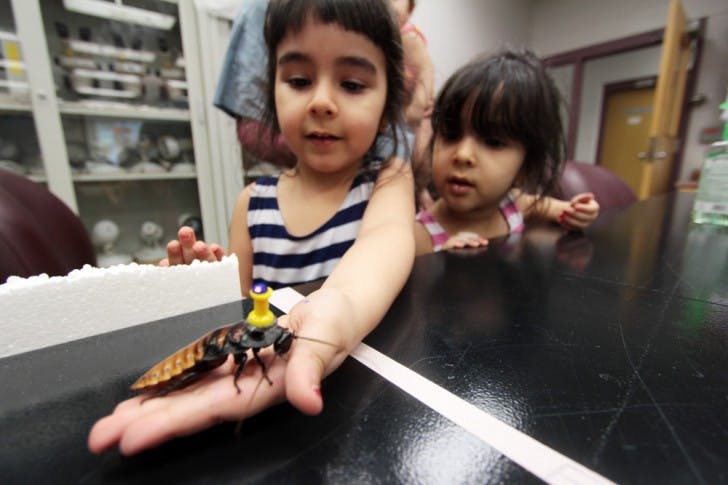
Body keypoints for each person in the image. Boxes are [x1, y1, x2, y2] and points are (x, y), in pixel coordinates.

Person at [88, 0, 415, 456]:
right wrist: (195, 288)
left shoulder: (390, 179)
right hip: (258, 427)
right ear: (271, 90)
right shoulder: (251, 203)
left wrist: (337, 305)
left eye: (353, 83)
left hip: (357, 406)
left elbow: (386, 241)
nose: (321, 101)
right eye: (299, 80)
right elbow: (236, 313)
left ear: (387, 104)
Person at [414, 50, 600, 254]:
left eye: (493, 142)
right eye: (450, 135)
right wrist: (440, 260)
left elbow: (543, 205)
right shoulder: (420, 235)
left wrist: (573, 212)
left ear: (525, 169)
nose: (463, 155)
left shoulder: (509, 204)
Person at [387, 0, 434, 207]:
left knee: (420, 157)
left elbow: (426, 72)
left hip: (414, 114)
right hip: (392, 113)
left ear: (410, 9)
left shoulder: (408, 35)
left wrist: (418, 106)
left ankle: (421, 192)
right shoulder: (379, 41)